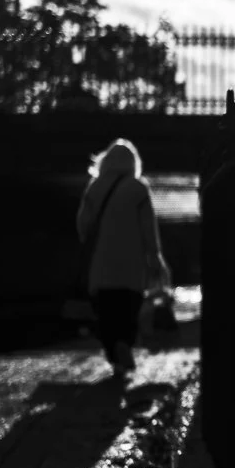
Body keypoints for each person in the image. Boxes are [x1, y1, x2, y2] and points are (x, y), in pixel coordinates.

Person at [76, 138, 171, 378]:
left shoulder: (94, 188)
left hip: (101, 262)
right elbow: (148, 228)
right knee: (128, 308)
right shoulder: (138, 189)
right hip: (131, 264)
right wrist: (154, 257)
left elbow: (83, 224)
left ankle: (113, 353)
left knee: (105, 311)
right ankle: (125, 345)